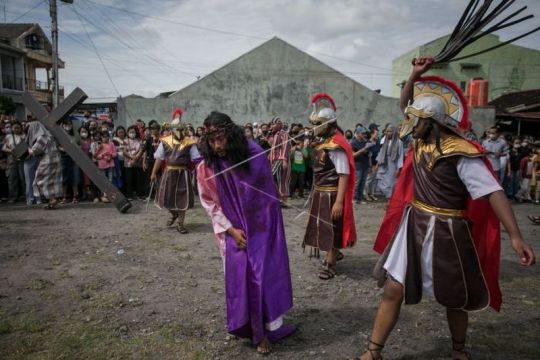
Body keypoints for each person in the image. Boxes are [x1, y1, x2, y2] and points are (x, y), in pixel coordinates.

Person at [356, 57, 536, 360]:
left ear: (432, 122)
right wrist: (415, 75)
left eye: (417, 120)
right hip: (414, 224)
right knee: (393, 289)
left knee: (455, 297)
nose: (410, 123)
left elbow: (494, 192)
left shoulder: (461, 152)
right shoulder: (419, 142)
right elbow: (406, 106)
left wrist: (515, 236)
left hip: (449, 231)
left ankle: (458, 350)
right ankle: (373, 352)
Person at [197, 111, 294, 354]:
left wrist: (260, 229)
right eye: (212, 140)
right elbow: (209, 203)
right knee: (241, 280)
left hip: (260, 230)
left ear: (232, 135)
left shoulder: (253, 156)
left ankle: (265, 329)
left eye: (221, 139)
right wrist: (231, 230)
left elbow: (266, 199)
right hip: (231, 232)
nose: (217, 145)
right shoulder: (206, 167)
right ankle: (251, 329)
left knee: (262, 277)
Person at [302, 93, 357, 280]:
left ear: (328, 124)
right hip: (320, 192)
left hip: (332, 195)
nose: (313, 128)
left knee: (332, 227)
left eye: (317, 124)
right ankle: (334, 254)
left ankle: (330, 263)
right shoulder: (323, 143)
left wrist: (339, 202)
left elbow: (344, 174)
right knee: (322, 226)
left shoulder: (336, 145)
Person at [150, 108, 199, 234]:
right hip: (169, 173)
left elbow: (197, 159)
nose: (179, 131)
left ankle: (180, 224)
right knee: (166, 197)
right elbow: (159, 158)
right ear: (172, 129)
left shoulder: (189, 142)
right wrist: (153, 173)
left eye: (181, 129)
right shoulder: (165, 141)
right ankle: (174, 214)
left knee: (183, 199)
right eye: (176, 129)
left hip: (183, 174)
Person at [26, 121, 63, 209]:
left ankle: (51, 199)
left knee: (39, 180)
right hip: (56, 160)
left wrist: (28, 149)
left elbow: (35, 151)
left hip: (47, 161)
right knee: (52, 181)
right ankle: (52, 200)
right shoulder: (50, 136)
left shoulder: (41, 138)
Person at [375, 124, 404, 199]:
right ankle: (389, 198)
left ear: (393, 132)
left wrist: (398, 168)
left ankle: (390, 201)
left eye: (389, 131)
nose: (387, 133)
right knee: (381, 182)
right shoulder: (385, 141)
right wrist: (377, 164)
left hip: (393, 165)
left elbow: (400, 156)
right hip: (384, 164)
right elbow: (381, 152)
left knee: (391, 184)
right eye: (386, 131)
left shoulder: (399, 142)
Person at [268, 117, 291, 205]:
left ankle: (283, 199)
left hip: (280, 159)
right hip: (274, 160)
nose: (271, 126)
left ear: (279, 124)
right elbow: (273, 148)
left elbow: (285, 147)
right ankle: (278, 197)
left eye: (273, 124)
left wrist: (284, 159)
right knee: (276, 178)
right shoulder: (275, 135)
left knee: (282, 178)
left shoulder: (284, 134)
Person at [2, 121, 26, 203]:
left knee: (23, 178)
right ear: (12, 128)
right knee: (12, 178)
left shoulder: (24, 136)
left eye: (18, 127)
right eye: (15, 128)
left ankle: (26, 195)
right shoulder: (8, 137)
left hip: (23, 158)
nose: (16, 129)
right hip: (11, 158)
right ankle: (13, 197)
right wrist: (11, 151)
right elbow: (3, 148)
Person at [59, 119, 80, 204]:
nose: (68, 126)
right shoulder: (60, 134)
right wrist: (64, 149)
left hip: (74, 157)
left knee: (74, 177)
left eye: (69, 124)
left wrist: (75, 149)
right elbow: (57, 146)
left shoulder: (76, 134)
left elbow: (79, 144)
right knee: (64, 177)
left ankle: (75, 197)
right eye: (66, 124)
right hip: (64, 157)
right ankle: (64, 197)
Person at [94, 131, 117, 202]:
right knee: (103, 179)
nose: (105, 138)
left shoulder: (111, 144)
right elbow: (95, 156)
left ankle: (110, 194)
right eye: (103, 136)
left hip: (110, 164)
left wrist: (110, 156)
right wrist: (102, 154)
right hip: (102, 164)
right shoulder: (99, 145)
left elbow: (115, 154)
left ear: (109, 137)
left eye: (106, 136)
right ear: (101, 137)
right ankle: (104, 195)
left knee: (110, 179)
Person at [350, 127, 371, 204]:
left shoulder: (365, 142)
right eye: (362, 133)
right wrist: (361, 151)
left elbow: (368, 154)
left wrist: (369, 164)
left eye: (365, 133)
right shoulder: (353, 142)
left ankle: (359, 199)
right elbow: (352, 155)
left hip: (365, 165)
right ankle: (354, 199)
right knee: (357, 183)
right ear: (358, 133)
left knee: (362, 183)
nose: (364, 135)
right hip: (358, 165)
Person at [124, 125, 145, 200]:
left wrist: (135, 159)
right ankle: (129, 195)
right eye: (130, 132)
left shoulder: (139, 141)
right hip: (128, 163)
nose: (132, 133)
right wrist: (132, 157)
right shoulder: (125, 141)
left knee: (139, 179)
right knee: (129, 180)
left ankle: (140, 194)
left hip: (138, 163)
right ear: (127, 133)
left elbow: (141, 150)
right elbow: (124, 151)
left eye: (133, 132)